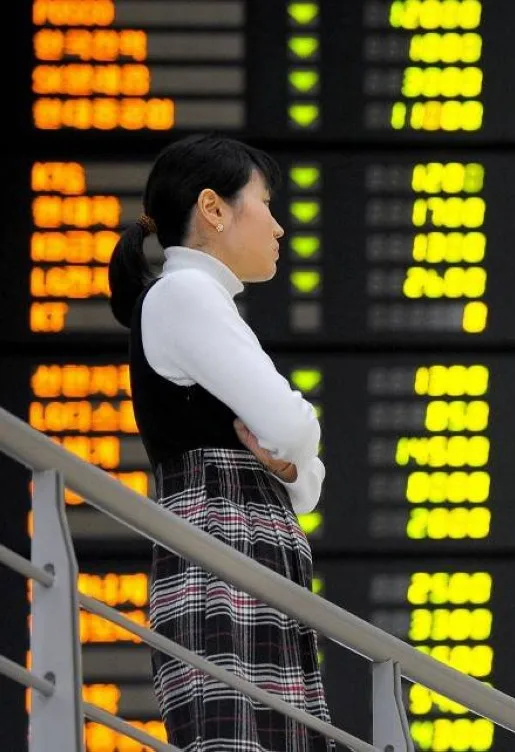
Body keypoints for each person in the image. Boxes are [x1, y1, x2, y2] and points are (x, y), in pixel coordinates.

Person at [107, 133, 334, 751]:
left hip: (246, 546)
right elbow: (292, 431)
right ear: (214, 208)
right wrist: (296, 445)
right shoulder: (184, 293)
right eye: (265, 202)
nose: (280, 227)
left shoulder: (200, 300)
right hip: (223, 549)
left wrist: (294, 459)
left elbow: (304, 482)